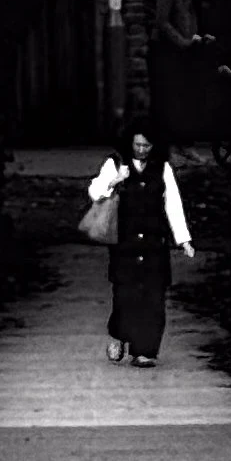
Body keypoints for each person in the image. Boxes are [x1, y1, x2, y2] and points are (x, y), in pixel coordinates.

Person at [85, 125, 194, 366]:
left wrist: (183, 239)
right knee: (125, 294)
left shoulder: (162, 168)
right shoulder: (115, 163)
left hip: (155, 243)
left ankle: (145, 350)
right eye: (138, 145)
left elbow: (173, 204)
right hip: (124, 243)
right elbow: (95, 192)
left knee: (154, 297)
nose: (142, 150)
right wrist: (116, 179)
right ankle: (119, 335)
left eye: (147, 146)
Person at [148, 0, 217, 148]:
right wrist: (182, 41)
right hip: (167, 50)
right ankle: (167, 144)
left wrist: (199, 38)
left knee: (185, 97)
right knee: (169, 97)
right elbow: (162, 22)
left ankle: (182, 142)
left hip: (185, 50)